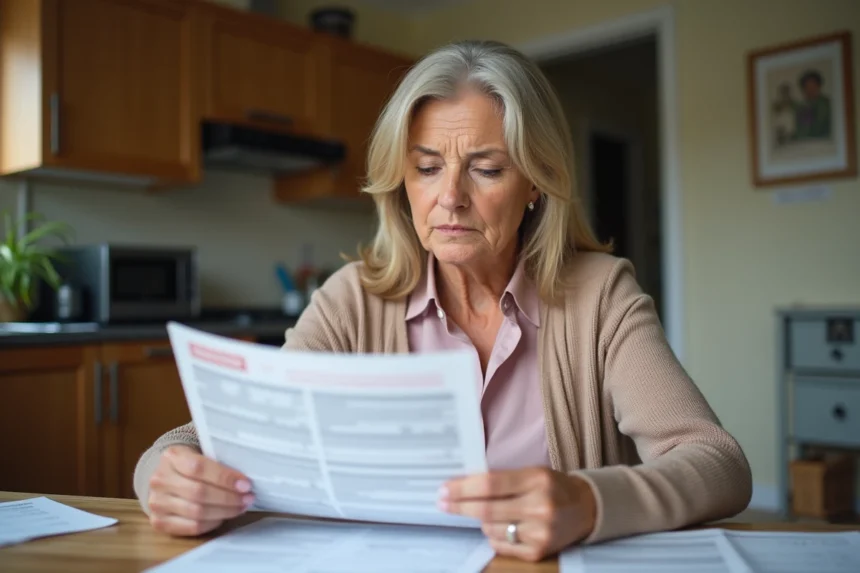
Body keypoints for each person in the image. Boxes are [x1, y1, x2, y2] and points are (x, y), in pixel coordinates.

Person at [133, 40, 752, 562]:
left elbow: (717, 463)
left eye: (485, 169)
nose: (449, 199)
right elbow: (205, 440)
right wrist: (163, 473)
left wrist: (590, 502)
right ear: (401, 180)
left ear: (535, 182)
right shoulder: (351, 300)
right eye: (427, 167)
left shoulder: (600, 295)